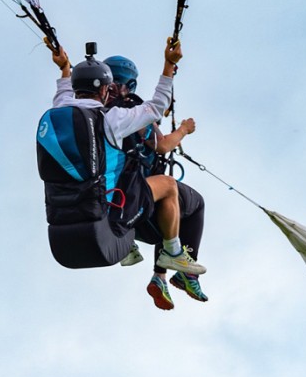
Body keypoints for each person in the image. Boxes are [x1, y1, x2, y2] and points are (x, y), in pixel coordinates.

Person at [44, 37, 205, 280]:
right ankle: (172, 253)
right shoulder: (112, 118)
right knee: (168, 185)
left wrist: (65, 68)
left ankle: (138, 253)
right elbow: (156, 108)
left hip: (64, 215)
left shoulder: (60, 111)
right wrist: (169, 66)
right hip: (108, 213)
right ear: (104, 89)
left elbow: (64, 92)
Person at [104, 54, 208, 311]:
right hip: (137, 196)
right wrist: (183, 130)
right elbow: (162, 146)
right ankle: (185, 271)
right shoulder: (129, 110)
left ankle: (160, 278)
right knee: (192, 204)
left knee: (170, 211)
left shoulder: (95, 110)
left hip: (116, 208)